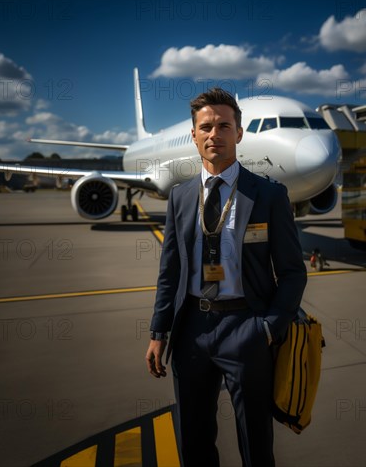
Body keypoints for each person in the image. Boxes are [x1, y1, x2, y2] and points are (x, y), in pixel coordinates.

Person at [145, 88, 307, 467]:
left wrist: (269, 327)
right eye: (206, 127)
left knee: (255, 442)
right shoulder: (181, 197)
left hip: (246, 327)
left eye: (223, 125)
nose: (213, 134)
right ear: (194, 134)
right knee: (193, 439)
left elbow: (292, 272)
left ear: (239, 133)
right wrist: (158, 332)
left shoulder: (268, 195)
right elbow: (169, 271)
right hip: (191, 330)